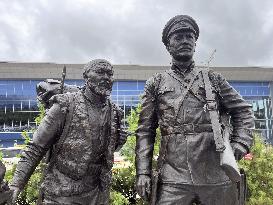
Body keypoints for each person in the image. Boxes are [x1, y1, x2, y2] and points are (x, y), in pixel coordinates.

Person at [135, 15, 254, 205]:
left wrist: (240, 143)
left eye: (189, 37)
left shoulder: (213, 79)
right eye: (179, 37)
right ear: (168, 46)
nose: (185, 41)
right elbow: (145, 132)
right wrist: (142, 171)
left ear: (195, 43)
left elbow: (243, 111)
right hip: (173, 175)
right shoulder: (156, 83)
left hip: (215, 171)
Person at [10, 59, 127, 205]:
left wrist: (117, 142)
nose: (106, 77)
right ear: (86, 76)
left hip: (98, 194)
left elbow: (99, 151)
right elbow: (36, 147)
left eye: (110, 74)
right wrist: (17, 184)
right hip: (62, 193)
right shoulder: (65, 105)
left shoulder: (115, 112)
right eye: (100, 72)